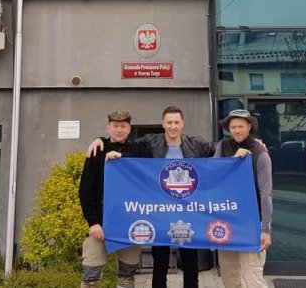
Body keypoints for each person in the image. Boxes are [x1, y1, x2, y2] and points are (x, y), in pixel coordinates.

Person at [90, 105, 214, 288]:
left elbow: (220, 150)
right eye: (169, 122)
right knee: (160, 261)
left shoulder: (196, 144)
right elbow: (124, 144)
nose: (173, 126)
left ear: (183, 124)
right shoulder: (150, 142)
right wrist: (99, 140)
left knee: (190, 261)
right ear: (163, 123)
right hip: (159, 211)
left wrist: (247, 146)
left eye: (176, 122)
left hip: (187, 211)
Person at [78, 110, 148, 288]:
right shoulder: (97, 149)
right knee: (90, 276)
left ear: (129, 129)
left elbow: (148, 170)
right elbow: (86, 190)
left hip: (130, 225)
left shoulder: (139, 150)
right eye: (115, 126)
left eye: (123, 126)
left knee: (127, 277)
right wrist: (93, 222)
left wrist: (123, 158)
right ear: (108, 128)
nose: (119, 130)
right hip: (101, 224)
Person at [214, 109, 272, 288]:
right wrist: (232, 160)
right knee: (229, 275)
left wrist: (266, 229)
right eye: (233, 127)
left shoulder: (261, 154)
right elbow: (214, 176)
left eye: (241, 126)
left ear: (249, 127)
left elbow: (266, 194)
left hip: (251, 224)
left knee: (253, 276)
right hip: (227, 222)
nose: (237, 130)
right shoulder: (222, 147)